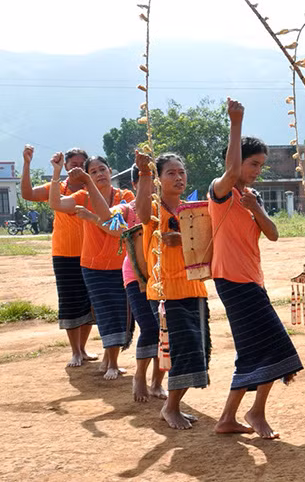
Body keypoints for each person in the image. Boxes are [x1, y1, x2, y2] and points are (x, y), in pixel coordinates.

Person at [210, 98, 303, 439]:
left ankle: (231, 417)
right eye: (253, 164)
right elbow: (231, 172)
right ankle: (254, 412)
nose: (255, 171)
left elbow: (274, 234)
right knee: (271, 345)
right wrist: (237, 122)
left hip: (252, 280)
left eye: (261, 166)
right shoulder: (219, 190)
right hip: (232, 280)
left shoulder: (252, 197)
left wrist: (256, 209)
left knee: (258, 347)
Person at [135, 151, 211, 429]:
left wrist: (186, 240)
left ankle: (173, 404)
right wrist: (144, 174)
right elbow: (141, 214)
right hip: (167, 290)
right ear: (159, 179)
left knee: (199, 351)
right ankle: (170, 407)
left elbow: (207, 248)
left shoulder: (193, 211)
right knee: (183, 350)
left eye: (181, 172)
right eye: (171, 173)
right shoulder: (155, 211)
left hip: (196, 288)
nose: (179, 177)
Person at [49, 154, 134, 380]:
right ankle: (112, 363)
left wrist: (91, 217)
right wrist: (57, 173)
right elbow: (56, 204)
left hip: (122, 265)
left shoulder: (125, 196)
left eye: (102, 169)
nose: (99, 174)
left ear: (111, 171)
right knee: (106, 313)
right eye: (93, 171)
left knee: (121, 313)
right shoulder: (83, 196)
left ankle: (109, 359)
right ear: (89, 176)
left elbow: (117, 227)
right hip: (93, 266)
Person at [91, 163, 166, 402]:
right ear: (135, 185)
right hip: (135, 276)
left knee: (165, 330)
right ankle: (140, 377)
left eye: (155, 180)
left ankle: (157, 382)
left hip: (164, 276)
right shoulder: (127, 208)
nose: (153, 186)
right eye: (145, 180)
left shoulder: (168, 208)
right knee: (150, 327)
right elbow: (110, 222)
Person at [21, 145, 95, 367]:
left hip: (91, 254)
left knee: (90, 302)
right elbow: (27, 194)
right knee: (70, 302)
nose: (78, 169)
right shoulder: (57, 188)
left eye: (82, 165)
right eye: (74, 165)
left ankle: (83, 347)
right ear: (65, 166)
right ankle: (75, 351)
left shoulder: (93, 190)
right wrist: (26, 163)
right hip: (64, 255)